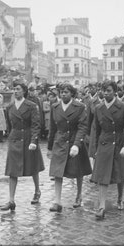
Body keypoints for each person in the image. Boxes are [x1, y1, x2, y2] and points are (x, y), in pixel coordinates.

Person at [90, 80, 124, 220]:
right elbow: (96, 131)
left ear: (115, 91)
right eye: (104, 90)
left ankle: (120, 197)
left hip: (119, 143)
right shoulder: (98, 108)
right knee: (102, 177)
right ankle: (101, 206)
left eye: (109, 90)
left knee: (119, 173)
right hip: (104, 144)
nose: (106, 93)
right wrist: (94, 150)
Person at [1, 80, 45, 211]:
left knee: (33, 167)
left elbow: (36, 124)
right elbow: (9, 126)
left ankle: (37, 191)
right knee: (12, 171)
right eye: (14, 89)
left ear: (24, 91)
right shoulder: (9, 107)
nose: (15, 91)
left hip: (28, 139)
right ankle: (11, 200)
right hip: (15, 140)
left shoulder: (31, 105)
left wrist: (34, 141)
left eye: (18, 89)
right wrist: (11, 137)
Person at [47, 83, 92, 212]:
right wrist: (50, 147)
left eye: (66, 92)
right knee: (57, 172)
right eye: (61, 92)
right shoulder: (55, 107)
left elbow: (83, 127)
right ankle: (57, 201)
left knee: (78, 171)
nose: (63, 94)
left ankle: (78, 196)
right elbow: (53, 128)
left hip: (74, 142)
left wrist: (77, 145)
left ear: (72, 94)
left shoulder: (80, 107)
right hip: (60, 142)